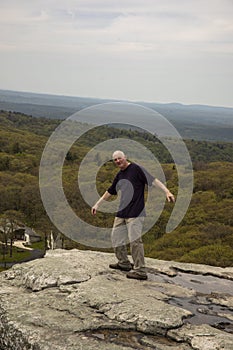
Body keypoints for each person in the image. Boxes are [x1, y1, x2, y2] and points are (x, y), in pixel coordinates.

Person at [91, 150, 175, 280]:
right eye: (115, 160)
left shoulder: (136, 169)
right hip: (122, 212)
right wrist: (97, 204)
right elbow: (110, 191)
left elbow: (153, 180)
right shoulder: (119, 175)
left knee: (135, 242)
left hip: (136, 212)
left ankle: (140, 270)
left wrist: (167, 192)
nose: (118, 161)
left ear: (125, 157)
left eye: (120, 158)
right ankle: (124, 263)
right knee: (116, 238)